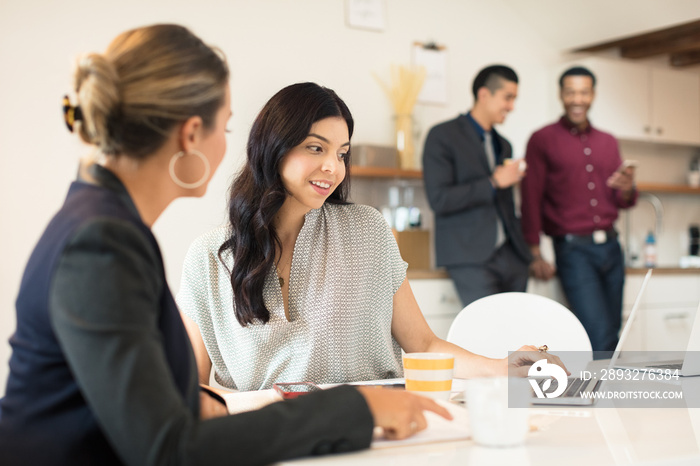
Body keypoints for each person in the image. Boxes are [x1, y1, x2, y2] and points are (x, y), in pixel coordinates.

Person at [0, 24, 454, 466]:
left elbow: (157, 412)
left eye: (341, 152)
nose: (228, 145)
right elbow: (169, 448)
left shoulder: (102, 225)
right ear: (191, 134)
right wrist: (356, 408)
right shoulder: (102, 244)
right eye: (226, 127)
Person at [178, 82, 562, 392]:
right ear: (271, 148)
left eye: (342, 153)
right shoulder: (207, 257)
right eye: (316, 148)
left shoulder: (367, 230)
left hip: (374, 430)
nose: (333, 167)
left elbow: (424, 344)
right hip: (274, 442)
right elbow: (189, 387)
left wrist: (504, 368)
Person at [520, 66, 638, 353]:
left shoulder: (608, 141)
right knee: (599, 336)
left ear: (593, 95)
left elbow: (625, 200)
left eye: (584, 92)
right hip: (574, 251)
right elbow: (530, 196)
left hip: (611, 247)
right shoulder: (542, 139)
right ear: (561, 94)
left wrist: (626, 186)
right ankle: (599, 396)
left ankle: (606, 396)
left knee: (613, 332)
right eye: (571, 92)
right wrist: (533, 252)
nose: (577, 99)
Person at [422, 65, 532, 307]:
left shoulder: (504, 144)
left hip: (512, 257)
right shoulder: (442, 136)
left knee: (521, 336)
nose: (512, 106)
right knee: (490, 337)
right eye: (508, 97)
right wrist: (494, 182)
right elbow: (439, 199)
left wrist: (526, 254)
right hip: (469, 258)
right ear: (484, 95)